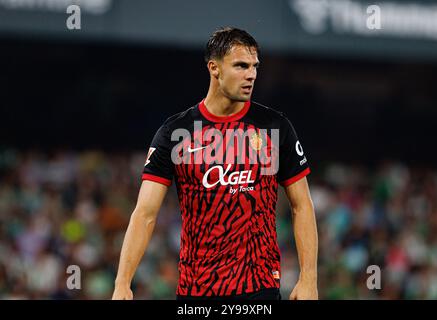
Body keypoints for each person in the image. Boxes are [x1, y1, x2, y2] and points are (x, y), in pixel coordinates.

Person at [112, 27, 318, 300]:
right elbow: (145, 213)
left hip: (259, 289)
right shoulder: (176, 132)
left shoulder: (274, 127)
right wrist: (122, 283)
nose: (252, 75)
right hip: (197, 291)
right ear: (214, 68)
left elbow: (301, 204)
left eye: (255, 66)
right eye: (241, 66)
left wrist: (308, 280)